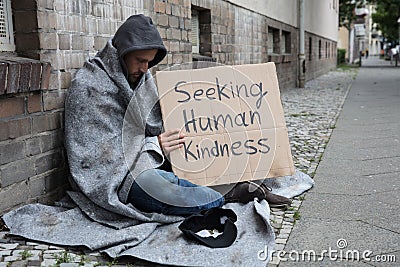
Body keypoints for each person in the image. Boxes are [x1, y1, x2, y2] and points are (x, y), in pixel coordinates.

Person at [65, 14, 290, 219]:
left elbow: (156, 123)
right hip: (116, 178)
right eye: (140, 61)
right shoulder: (89, 86)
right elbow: (100, 159)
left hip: (147, 160)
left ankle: (234, 182)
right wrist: (155, 145)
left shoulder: (140, 78)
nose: (145, 69)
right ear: (122, 54)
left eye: (149, 62)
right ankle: (230, 195)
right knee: (157, 189)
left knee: (194, 160)